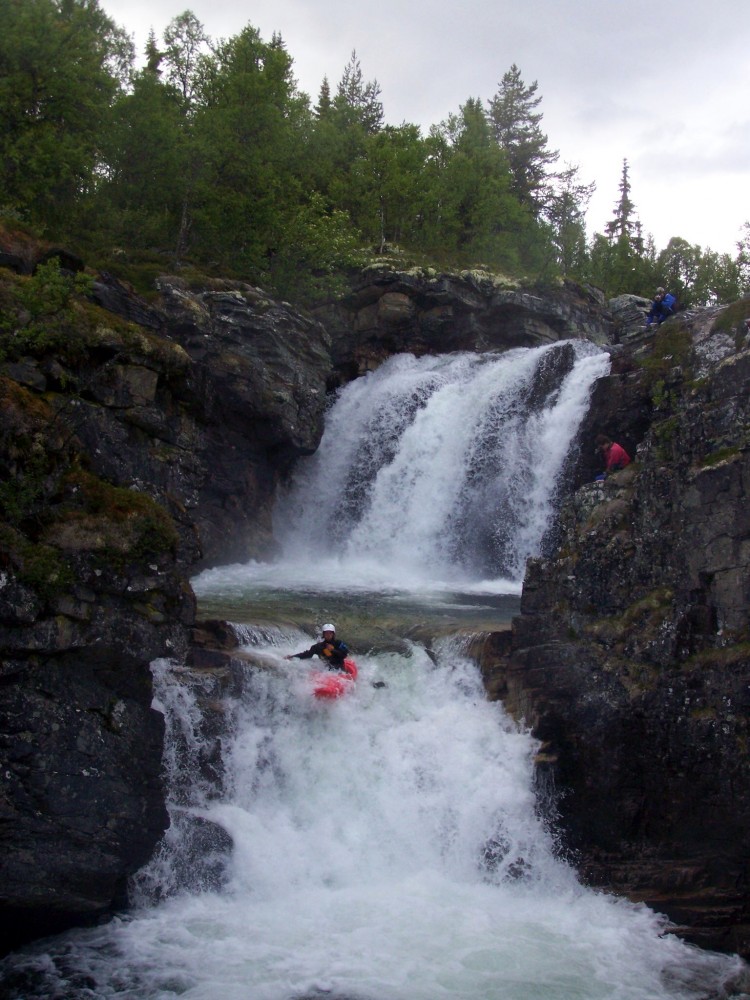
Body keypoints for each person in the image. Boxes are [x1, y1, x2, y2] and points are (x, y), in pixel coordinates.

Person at [285, 624, 350, 671]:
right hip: (327, 670)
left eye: (330, 633)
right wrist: (292, 656)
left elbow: (344, 655)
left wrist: (333, 650)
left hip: (339, 669)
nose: (328, 635)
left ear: (333, 634)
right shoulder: (318, 646)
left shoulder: (338, 643)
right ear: (323, 634)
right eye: (326, 633)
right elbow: (307, 654)